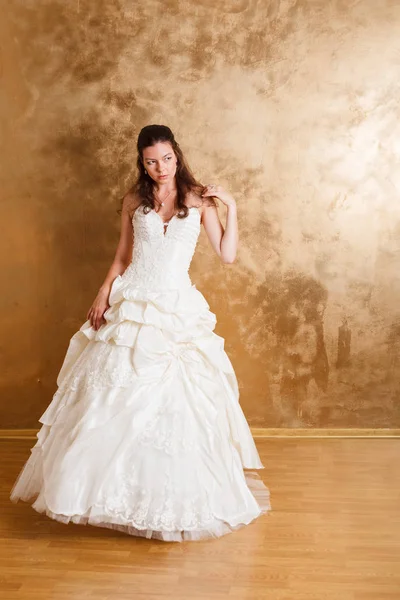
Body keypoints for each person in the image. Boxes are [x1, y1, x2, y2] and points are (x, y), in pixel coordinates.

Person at [10, 124, 271, 542]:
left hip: (174, 308)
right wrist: (103, 293)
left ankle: (169, 501)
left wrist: (232, 207)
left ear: (177, 156)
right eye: (151, 161)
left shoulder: (200, 198)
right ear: (142, 162)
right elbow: (121, 258)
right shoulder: (135, 199)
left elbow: (227, 254)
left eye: (166, 158)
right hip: (133, 301)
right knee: (110, 400)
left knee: (178, 403)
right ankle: (109, 498)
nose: (160, 167)